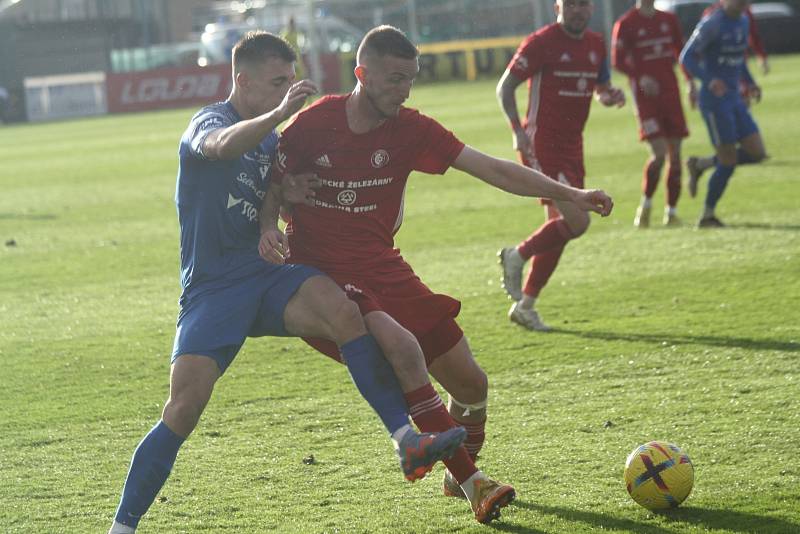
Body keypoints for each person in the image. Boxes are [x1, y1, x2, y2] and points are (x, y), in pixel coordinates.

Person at [107, 32, 467, 534]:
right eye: (277, 82)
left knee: (343, 308)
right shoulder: (210, 122)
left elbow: (271, 195)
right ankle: (122, 528)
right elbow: (220, 147)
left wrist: (281, 203)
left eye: (291, 81)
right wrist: (278, 115)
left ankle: (406, 439)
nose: (286, 90)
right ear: (242, 80)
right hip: (213, 289)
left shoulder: (273, 142)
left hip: (268, 275)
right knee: (184, 408)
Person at [258, 25, 614, 523]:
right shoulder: (314, 124)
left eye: (410, 80)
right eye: (394, 79)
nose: (403, 91)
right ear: (361, 74)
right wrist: (274, 214)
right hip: (325, 276)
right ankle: (475, 485)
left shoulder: (412, 129)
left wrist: (570, 195)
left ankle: (457, 471)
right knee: (402, 350)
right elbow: (265, 180)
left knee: (472, 383)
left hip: (385, 266)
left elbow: (491, 168)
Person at [495, 0, 625, 331]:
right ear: (558, 7)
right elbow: (505, 87)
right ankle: (517, 255)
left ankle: (526, 306)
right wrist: (517, 131)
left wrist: (609, 95)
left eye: (583, 4)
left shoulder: (596, 44)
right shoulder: (542, 42)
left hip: (572, 147)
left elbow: (600, 87)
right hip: (541, 143)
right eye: (571, 4)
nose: (577, 10)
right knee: (578, 222)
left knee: (560, 231)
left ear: (591, 8)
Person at [680, 0, 767, 228]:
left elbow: (739, 61)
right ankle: (707, 216)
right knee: (728, 160)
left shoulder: (744, 21)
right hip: (715, 103)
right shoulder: (712, 24)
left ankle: (701, 164)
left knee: (757, 152)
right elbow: (686, 57)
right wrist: (709, 81)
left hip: (735, 100)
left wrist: (750, 82)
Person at [612, 0, 694, 228]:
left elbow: (682, 53)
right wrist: (640, 76)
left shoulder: (668, 20)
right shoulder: (626, 23)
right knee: (659, 155)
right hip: (646, 99)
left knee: (675, 156)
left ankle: (672, 213)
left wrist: (690, 83)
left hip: (670, 93)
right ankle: (645, 207)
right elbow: (616, 61)